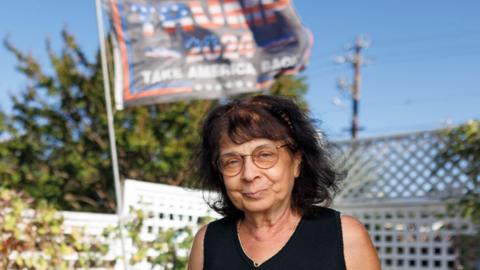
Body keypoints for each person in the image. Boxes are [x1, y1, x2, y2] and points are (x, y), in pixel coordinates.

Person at [188, 95, 380, 270]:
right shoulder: (208, 241)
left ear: (297, 162)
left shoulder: (345, 236)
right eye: (232, 161)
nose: (249, 174)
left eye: (264, 155)